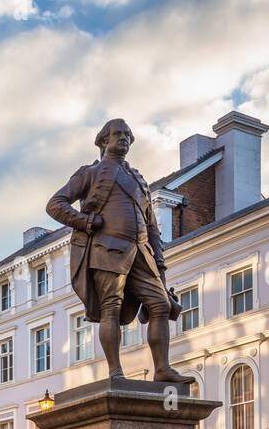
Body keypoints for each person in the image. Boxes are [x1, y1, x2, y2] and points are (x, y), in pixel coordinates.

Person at [46, 117, 186, 383]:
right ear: (103, 140)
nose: (123, 138)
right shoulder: (91, 173)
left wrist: (160, 262)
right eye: (117, 133)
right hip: (107, 249)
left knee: (160, 305)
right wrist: (85, 221)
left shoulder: (139, 179)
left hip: (141, 252)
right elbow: (55, 204)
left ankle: (162, 368)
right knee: (111, 307)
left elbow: (152, 226)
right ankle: (115, 371)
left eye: (127, 135)